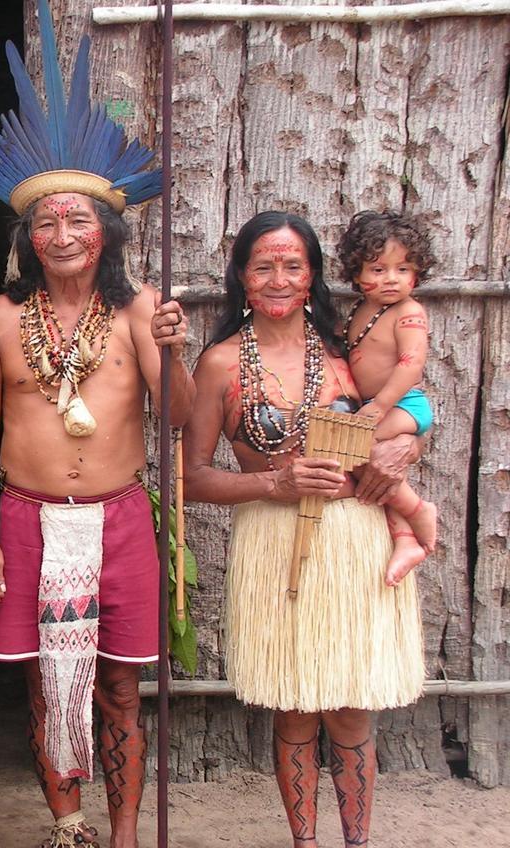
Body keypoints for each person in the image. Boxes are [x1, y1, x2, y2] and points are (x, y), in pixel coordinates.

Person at [0, 5, 191, 845]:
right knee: (45, 686)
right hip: (26, 518)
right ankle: (69, 829)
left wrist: (175, 348)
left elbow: (183, 420)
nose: (62, 234)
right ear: (29, 236)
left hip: (119, 517)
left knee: (120, 689)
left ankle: (124, 836)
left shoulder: (137, 315)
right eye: (46, 222)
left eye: (78, 220)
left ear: (106, 233)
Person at [182, 211, 425, 847]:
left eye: (293, 265)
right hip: (274, 539)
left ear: (313, 273)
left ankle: (356, 842)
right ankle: (304, 843)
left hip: (354, 539)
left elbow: (408, 412)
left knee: (351, 706)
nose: (279, 279)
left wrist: (409, 449)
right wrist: (274, 483)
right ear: (241, 276)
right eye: (264, 265)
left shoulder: (346, 351)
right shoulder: (221, 364)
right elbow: (193, 479)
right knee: (294, 706)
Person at [336, 210, 438, 584]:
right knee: (376, 467)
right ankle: (405, 536)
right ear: (356, 272)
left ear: (418, 272)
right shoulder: (361, 312)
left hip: (402, 405)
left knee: (349, 448)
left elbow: (410, 365)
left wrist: (379, 407)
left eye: (403, 269)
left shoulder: (408, 312)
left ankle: (420, 510)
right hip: (377, 407)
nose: (392, 279)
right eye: (378, 269)